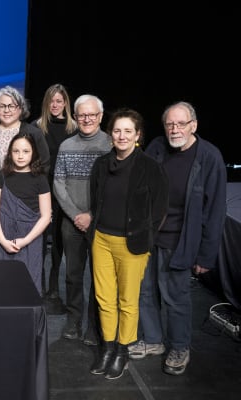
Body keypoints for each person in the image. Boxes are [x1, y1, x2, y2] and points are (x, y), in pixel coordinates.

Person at [130, 101, 227, 376]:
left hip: (181, 241)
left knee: (176, 298)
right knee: (145, 292)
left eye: (180, 124)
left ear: (193, 125)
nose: (174, 129)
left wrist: (206, 256)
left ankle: (179, 347)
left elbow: (216, 210)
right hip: (149, 237)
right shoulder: (158, 147)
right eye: (170, 124)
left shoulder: (209, 157)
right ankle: (152, 340)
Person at [87, 108, 169, 379]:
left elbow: (159, 210)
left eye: (128, 131)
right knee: (104, 299)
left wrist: (145, 237)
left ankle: (122, 352)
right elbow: (95, 201)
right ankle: (108, 349)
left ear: (138, 136)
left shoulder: (149, 167)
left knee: (127, 300)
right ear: (111, 134)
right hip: (101, 240)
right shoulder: (101, 165)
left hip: (132, 244)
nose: (122, 136)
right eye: (117, 130)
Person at [53, 94, 112, 346]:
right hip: (72, 221)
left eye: (92, 114)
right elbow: (58, 183)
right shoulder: (66, 146)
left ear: (100, 116)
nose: (86, 119)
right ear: (75, 117)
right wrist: (76, 214)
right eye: (82, 115)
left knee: (100, 276)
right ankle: (74, 320)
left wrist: (91, 215)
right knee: (73, 275)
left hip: (102, 222)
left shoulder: (110, 144)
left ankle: (94, 325)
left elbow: (112, 186)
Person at [32, 83, 77, 312]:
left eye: (60, 101)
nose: (55, 105)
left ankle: (53, 287)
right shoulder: (36, 127)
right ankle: (38, 285)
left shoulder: (75, 129)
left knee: (59, 242)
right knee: (39, 240)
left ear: (66, 104)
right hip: (41, 191)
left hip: (65, 194)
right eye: (52, 101)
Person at [0, 133, 52, 295]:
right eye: (16, 151)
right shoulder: (2, 175)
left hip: (30, 238)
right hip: (4, 236)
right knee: (1, 285)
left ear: (33, 153)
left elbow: (46, 216)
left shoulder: (40, 179)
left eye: (26, 151)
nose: (20, 156)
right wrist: (1, 239)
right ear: (10, 153)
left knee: (28, 287)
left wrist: (25, 241)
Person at [0, 86, 50, 172]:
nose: (6, 110)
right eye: (2, 106)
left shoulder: (34, 133)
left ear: (20, 108)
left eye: (11, 106)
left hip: (24, 184)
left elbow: (44, 164)